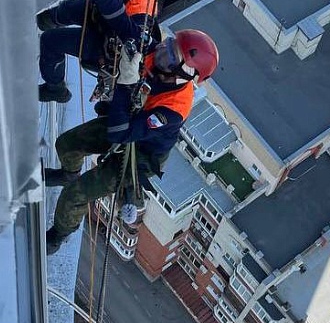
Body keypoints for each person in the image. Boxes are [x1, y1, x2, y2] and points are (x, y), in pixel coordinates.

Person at [44, 29, 219, 254]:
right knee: (67, 144)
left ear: (186, 74)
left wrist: (125, 85)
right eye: (167, 45)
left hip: (139, 156)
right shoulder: (155, 57)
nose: (161, 53)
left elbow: (120, 134)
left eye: (171, 56)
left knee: (74, 195)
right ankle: (69, 172)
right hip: (128, 120)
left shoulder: (172, 111)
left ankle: (59, 234)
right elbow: (130, 32)